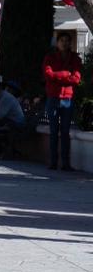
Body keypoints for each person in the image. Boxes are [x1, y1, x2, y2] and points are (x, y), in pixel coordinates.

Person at [43, 33, 83, 170]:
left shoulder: (75, 59)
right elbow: (48, 74)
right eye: (61, 40)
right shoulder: (50, 58)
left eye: (67, 41)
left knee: (65, 132)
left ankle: (66, 163)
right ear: (57, 42)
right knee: (54, 131)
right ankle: (53, 162)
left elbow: (76, 79)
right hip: (53, 98)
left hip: (67, 99)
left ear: (70, 43)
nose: (64, 43)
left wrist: (57, 76)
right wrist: (66, 74)